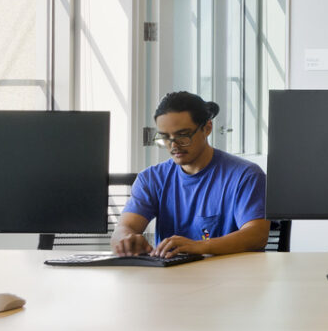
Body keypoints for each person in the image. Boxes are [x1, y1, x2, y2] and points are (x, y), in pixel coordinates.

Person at [111, 91, 270, 257]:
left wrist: (201, 246)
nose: (174, 145)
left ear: (207, 128)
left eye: (183, 135)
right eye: (165, 137)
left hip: (229, 276)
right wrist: (126, 240)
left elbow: (257, 235)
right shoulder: (151, 179)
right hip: (169, 278)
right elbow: (123, 229)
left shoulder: (245, 175)